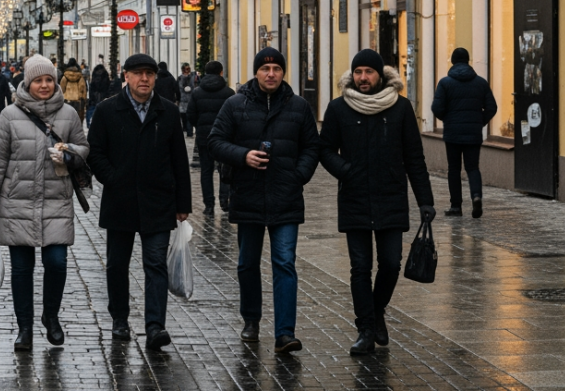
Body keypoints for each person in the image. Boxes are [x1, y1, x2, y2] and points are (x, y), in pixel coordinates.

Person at [318, 50, 435, 355]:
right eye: (358, 72)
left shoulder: (400, 107)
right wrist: (346, 171)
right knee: (360, 267)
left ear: (380, 75)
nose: (363, 77)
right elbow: (324, 149)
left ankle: (377, 309)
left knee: (391, 263)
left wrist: (425, 201)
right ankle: (366, 329)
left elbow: (414, 157)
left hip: (390, 196)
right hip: (354, 197)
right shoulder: (339, 108)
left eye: (369, 71)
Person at [206, 47, 319, 354]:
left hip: (286, 196)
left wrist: (298, 176)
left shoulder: (298, 106)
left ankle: (285, 333)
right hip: (248, 194)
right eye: (265, 69)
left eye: (276, 69)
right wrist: (243, 155)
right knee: (247, 263)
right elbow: (214, 141)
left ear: (283, 73)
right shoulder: (235, 104)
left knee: (284, 263)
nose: (271, 74)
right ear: (256, 72)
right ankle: (251, 321)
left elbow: (312, 146)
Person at [0, 55, 89, 351]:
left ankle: (50, 316)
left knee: (57, 263)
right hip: (17, 201)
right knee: (21, 269)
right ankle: (24, 328)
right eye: (38, 80)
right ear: (28, 83)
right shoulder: (9, 115)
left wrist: (69, 152)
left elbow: (83, 148)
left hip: (56, 201)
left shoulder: (68, 113)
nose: (44, 85)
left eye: (49, 79)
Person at [86, 54, 192, 349]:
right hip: (120, 200)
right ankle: (120, 319)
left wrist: (183, 203)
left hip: (158, 200)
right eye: (138, 73)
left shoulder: (167, 111)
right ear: (127, 77)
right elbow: (95, 152)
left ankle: (155, 326)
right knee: (117, 265)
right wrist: (113, 178)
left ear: (155, 77)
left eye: (149, 73)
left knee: (156, 264)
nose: (144, 79)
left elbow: (179, 160)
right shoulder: (108, 110)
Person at [430, 47, 497, 218]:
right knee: (472, 167)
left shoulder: (445, 83)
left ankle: (456, 206)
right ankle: (476, 196)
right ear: (468, 61)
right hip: (473, 133)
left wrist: (448, 119)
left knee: (454, 169)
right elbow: (492, 107)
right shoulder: (480, 83)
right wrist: (479, 122)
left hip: (452, 132)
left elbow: (436, 108)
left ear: (452, 61)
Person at [187, 61, 235, 214]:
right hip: (224, 137)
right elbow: (235, 116)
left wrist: (200, 126)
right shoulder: (229, 93)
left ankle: (209, 205)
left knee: (206, 171)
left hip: (204, 136)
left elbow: (191, 114)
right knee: (225, 169)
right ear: (221, 72)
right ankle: (224, 201)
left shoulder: (197, 92)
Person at [177, 63, 198, 137]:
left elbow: (196, 86)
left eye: (188, 69)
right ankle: (186, 129)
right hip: (183, 99)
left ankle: (189, 131)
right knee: (184, 115)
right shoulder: (180, 78)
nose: (186, 71)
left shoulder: (193, 77)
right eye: (185, 69)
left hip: (190, 99)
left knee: (188, 116)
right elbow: (177, 89)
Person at [87, 62, 111, 126]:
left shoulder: (94, 77)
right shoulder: (105, 76)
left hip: (94, 103)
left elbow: (91, 92)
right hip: (104, 102)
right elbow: (108, 90)